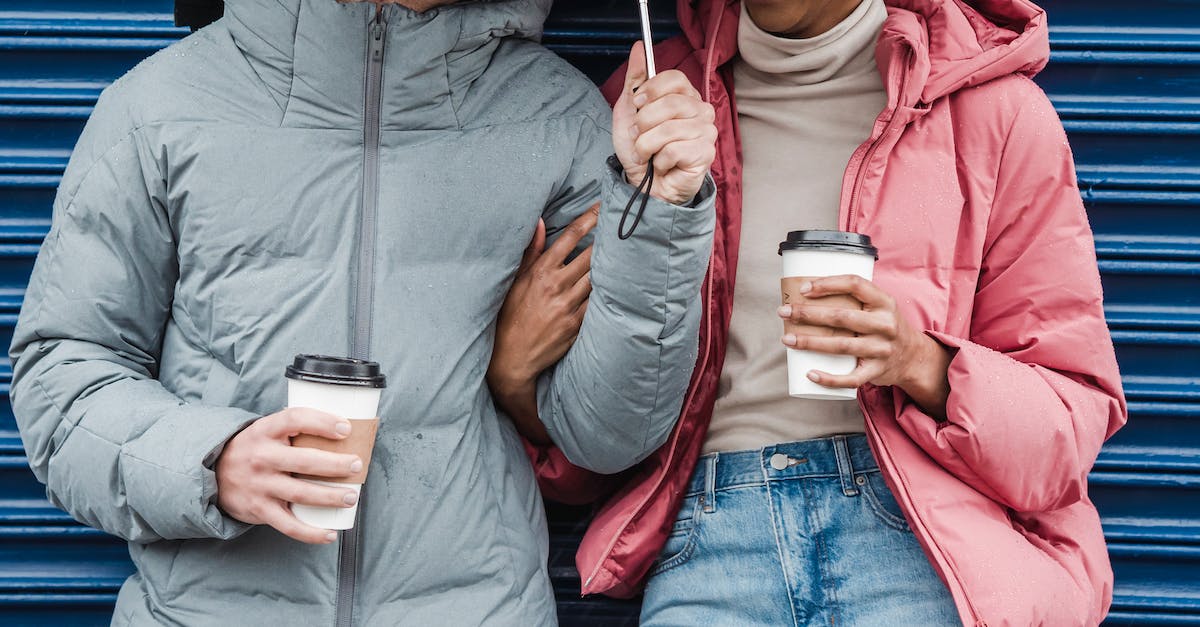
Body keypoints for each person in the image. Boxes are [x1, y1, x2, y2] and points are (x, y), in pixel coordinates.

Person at [8, 0, 717, 624]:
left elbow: (610, 432)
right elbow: (61, 379)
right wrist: (211, 463)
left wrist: (660, 207)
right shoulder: (159, 108)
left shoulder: (559, 119)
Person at [489, 0, 1128, 624]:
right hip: (709, 540)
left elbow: (1067, 431)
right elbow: (601, 440)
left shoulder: (993, 113)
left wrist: (918, 361)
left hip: (919, 541)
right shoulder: (650, 110)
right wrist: (519, 384)